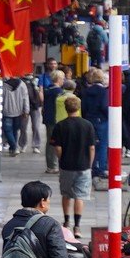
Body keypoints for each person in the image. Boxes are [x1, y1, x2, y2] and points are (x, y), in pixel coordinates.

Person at [52, 95, 97, 239]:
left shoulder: (60, 125)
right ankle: (77, 226)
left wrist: (61, 159)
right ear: (79, 107)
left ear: (66, 108)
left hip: (66, 165)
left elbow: (57, 148)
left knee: (66, 194)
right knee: (80, 196)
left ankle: (66, 222)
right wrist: (89, 164)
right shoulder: (87, 125)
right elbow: (91, 147)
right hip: (83, 165)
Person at [79, 69, 110, 178]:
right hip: (101, 120)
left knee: (91, 144)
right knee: (102, 144)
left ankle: (91, 166)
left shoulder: (86, 91)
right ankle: (101, 168)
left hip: (89, 119)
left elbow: (83, 107)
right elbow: (104, 106)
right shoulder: (103, 92)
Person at [1, 76, 29, 156]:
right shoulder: (22, 84)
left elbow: (1, 98)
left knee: (8, 131)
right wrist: (26, 110)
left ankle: (14, 147)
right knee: (14, 131)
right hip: (19, 112)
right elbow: (25, 98)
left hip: (6, 111)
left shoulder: (3, 85)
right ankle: (13, 148)